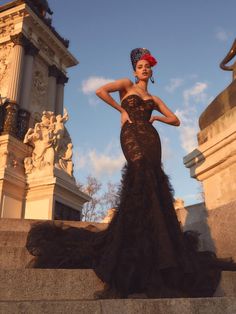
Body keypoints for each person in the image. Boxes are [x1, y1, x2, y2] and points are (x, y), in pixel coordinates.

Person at [26, 48, 236, 299]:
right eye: (141, 66)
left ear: (151, 71)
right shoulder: (126, 85)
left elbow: (176, 120)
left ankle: (159, 251)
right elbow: (100, 91)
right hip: (131, 135)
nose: (145, 69)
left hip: (151, 138)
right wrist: (121, 110)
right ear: (135, 70)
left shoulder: (154, 97)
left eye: (148, 66)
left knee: (153, 183)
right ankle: (129, 252)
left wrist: (157, 118)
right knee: (139, 176)